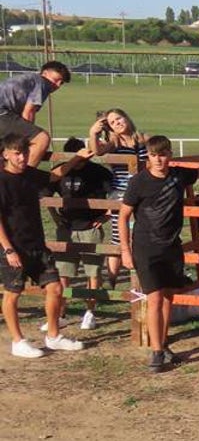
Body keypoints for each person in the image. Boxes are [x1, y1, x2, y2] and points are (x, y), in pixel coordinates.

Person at [118, 135, 199, 372]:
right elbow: (123, 216)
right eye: (153, 155)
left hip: (171, 247)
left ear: (170, 155)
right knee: (154, 298)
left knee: (168, 296)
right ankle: (156, 351)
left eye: (162, 154)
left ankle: (163, 344)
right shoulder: (139, 182)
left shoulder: (178, 175)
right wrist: (125, 250)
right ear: (148, 156)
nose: (158, 160)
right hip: (146, 249)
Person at [0, 133, 92, 358]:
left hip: (37, 244)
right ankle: (18, 341)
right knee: (13, 293)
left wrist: (76, 159)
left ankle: (53, 336)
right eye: (17, 153)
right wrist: (8, 249)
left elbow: (52, 177)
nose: (22, 157)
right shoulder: (1, 180)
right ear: (5, 154)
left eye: (24, 153)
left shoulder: (30, 175)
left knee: (55, 287)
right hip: (12, 246)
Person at [48, 137, 112, 331]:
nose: (78, 163)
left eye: (81, 159)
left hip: (89, 228)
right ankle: (61, 313)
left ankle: (90, 312)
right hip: (66, 228)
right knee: (63, 273)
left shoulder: (99, 173)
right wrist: (55, 216)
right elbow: (44, 193)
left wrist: (105, 217)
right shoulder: (60, 170)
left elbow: (119, 194)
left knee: (93, 272)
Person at [87, 107, 148, 288]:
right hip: (122, 194)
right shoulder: (114, 140)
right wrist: (93, 133)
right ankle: (111, 281)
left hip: (144, 193)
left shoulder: (143, 138)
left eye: (119, 119)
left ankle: (142, 280)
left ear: (127, 117)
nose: (118, 123)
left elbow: (160, 149)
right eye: (113, 122)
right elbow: (97, 151)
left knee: (142, 234)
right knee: (118, 236)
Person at [0, 60, 70, 167]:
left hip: (5, 116)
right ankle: (25, 178)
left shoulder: (28, 79)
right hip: (2, 114)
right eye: (56, 80)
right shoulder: (42, 82)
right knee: (41, 138)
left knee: (6, 150)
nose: (58, 85)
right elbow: (29, 112)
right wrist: (25, 141)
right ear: (45, 73)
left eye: (61, 82)